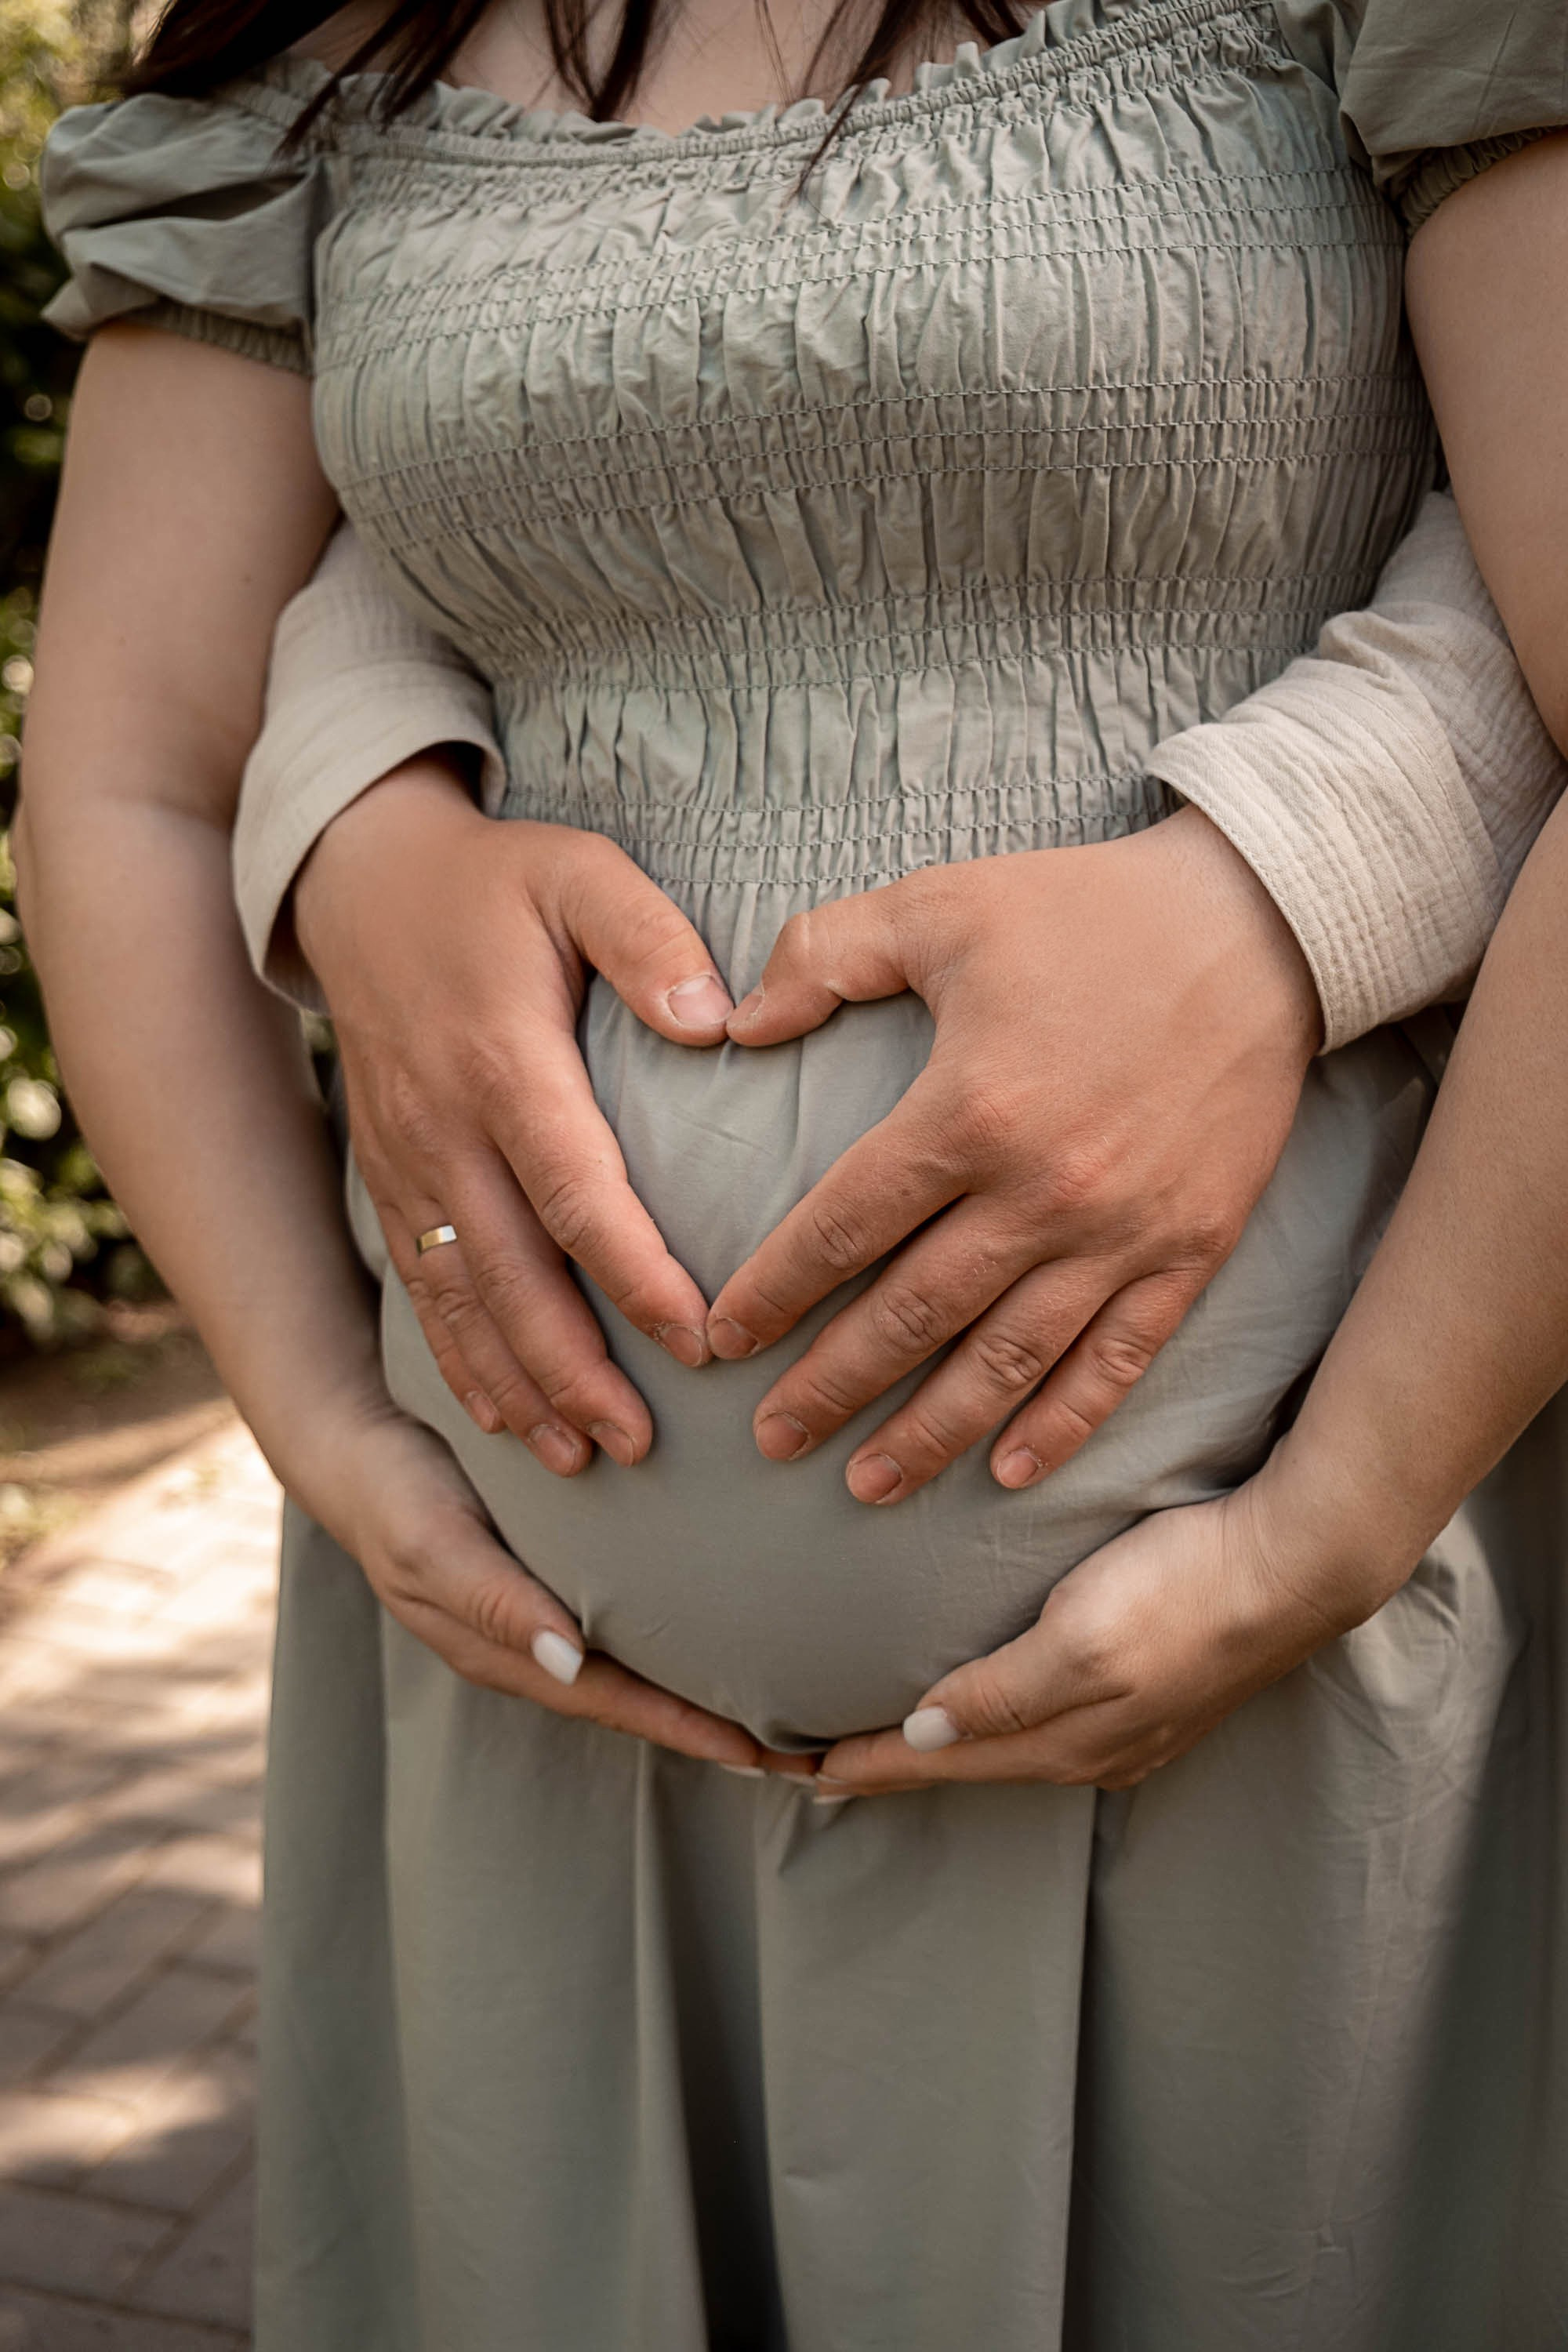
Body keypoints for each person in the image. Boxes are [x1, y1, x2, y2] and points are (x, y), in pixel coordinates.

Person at [17, 0, 1568, 2342]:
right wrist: (334, 1440)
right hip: (547, 1762)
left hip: (1278, 1684)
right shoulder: (311, 43)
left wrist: (1329, 1521)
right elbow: (127, 773)